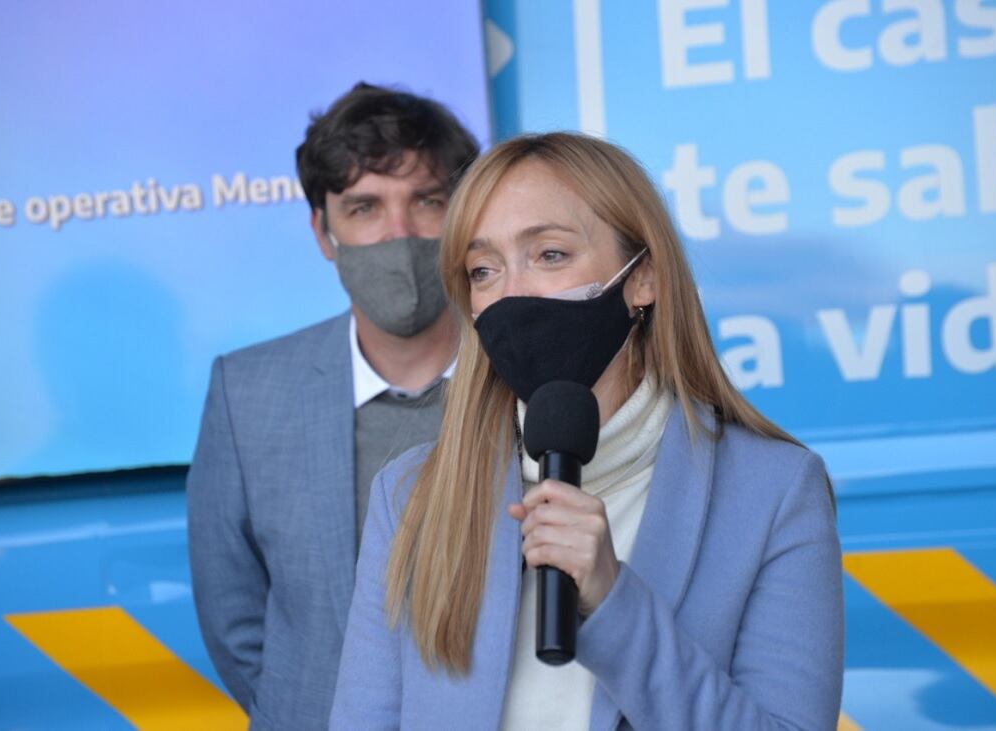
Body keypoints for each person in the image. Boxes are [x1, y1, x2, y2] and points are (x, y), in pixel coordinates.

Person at [330, 132, 844, 729]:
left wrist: (613, 598)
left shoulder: (774, 492)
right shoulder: (410, 494)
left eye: (549, 255)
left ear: (643, 278)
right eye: (484, 270)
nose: (513, 292)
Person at [187, 82, 479, 730]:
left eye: (427, 202)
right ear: (324, 231)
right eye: (365, 207)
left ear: (465, 216)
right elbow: (233, 617)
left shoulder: (536, 377)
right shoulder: (247, 392)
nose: (398, 235)